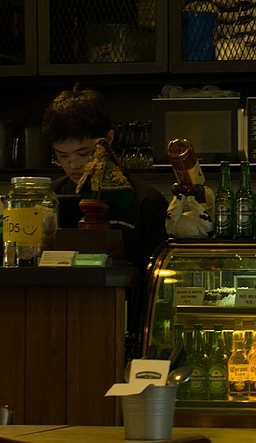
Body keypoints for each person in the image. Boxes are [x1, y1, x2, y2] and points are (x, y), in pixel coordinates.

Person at [42, 85, 168, 356]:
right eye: (62, 156)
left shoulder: (146, 201)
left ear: (108, 140)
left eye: (83, 154)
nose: (73, 164)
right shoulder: (49, 199)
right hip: (54, 328)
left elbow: (155, 287)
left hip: (125, 332)